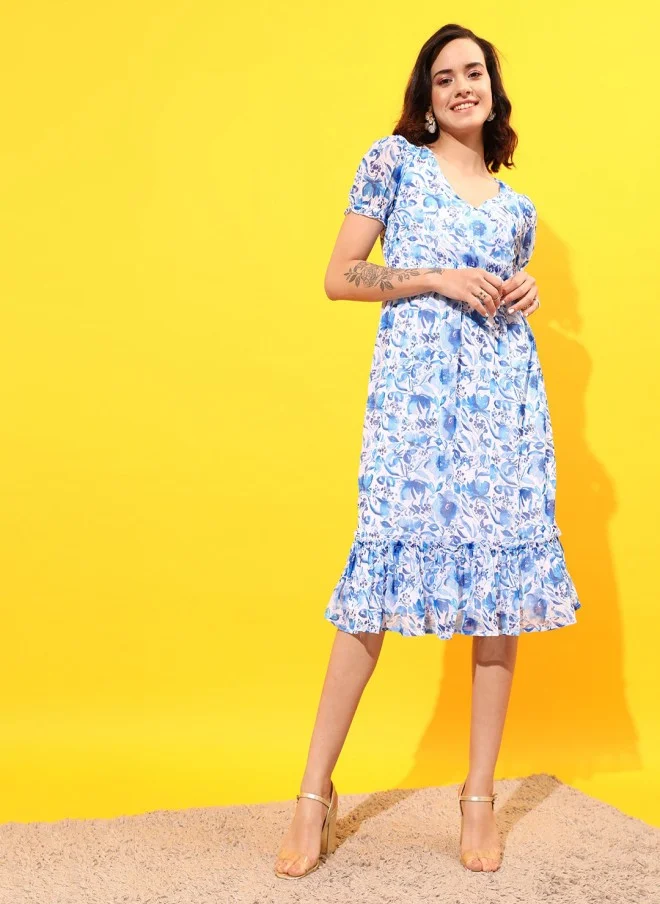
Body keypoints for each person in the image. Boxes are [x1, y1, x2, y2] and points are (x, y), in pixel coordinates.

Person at [274, 23, 581, 880]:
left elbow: (505, 296)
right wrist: (436, 276)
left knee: (497, 595)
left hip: (501, 405)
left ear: (493, 89)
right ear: (427, 96)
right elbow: (341, 274)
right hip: (416, 402)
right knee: (374, 581)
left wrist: (525, 287)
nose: (460, 87)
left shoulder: (517, 209)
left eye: (472, 72)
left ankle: (478, 795)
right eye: (443, 78)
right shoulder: (394, 164)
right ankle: (312, 792)